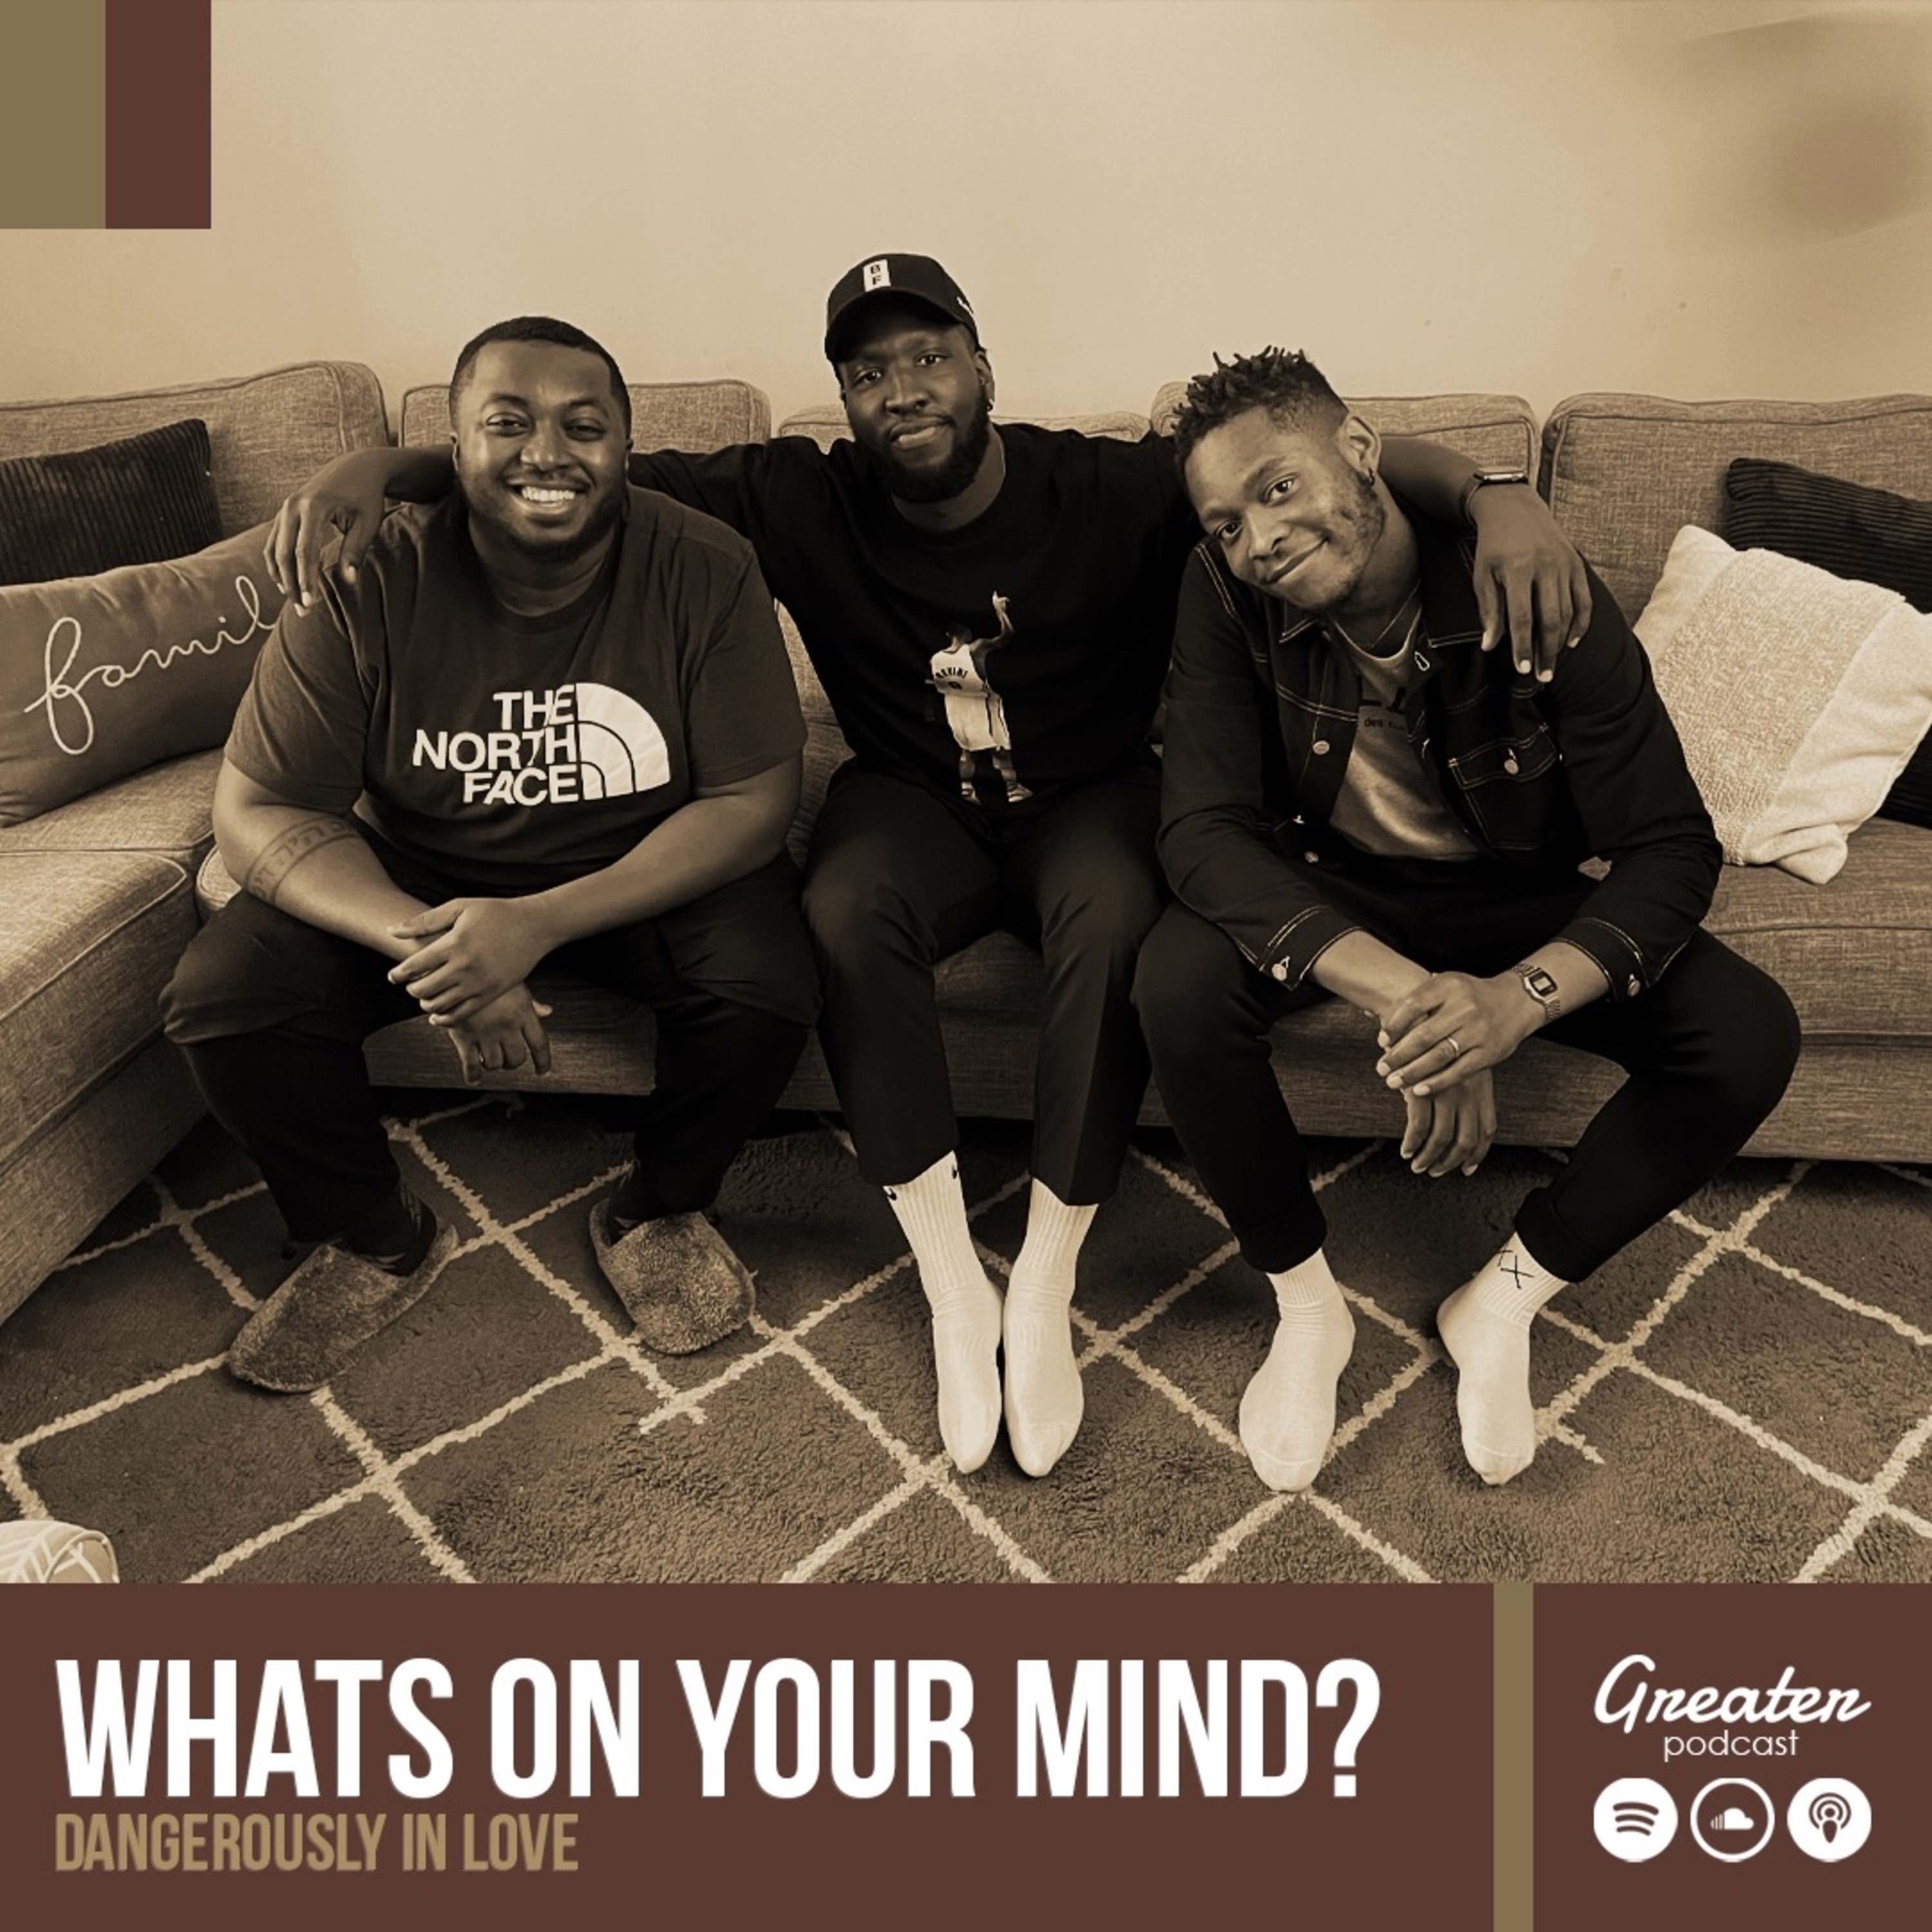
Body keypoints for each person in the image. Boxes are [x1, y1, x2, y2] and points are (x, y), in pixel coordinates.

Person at [267, 256, 1590, 1476]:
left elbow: (1318, 451)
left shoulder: (1110, 486)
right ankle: (957, 1285)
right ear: (843, 399)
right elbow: (569, 465)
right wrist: (386, 468)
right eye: (868, 371)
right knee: (842, 905)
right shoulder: (799, 492)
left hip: (1088, 795)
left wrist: (1495, 491)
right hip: (911, 798)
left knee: (1119, 913)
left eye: (930, 357)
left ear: (983, 368)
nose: (902, 389)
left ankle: (1046, 1279)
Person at [1134, 346, 1801, 1493]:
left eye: (1279, 488)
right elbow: (1201, 832)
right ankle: (1307, 1305)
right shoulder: (1223, 591)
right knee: (1177, 982)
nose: (1261, 540)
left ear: (1359, 450)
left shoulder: (1530, 581)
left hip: (1514, 891)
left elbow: (1669, 846)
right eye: (1229, 523)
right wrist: (1414, 1001)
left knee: (1747, 1033)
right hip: (1334, 883)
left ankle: (1503, 1300)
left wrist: (1514, 1004)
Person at [162, 317, 815, 1391]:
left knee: (769, 984)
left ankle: (658, 1208)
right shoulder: (364, 573)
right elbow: (261, 807)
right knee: (226, 995)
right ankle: (373, 1232)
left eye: (583, 426)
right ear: (454, 448)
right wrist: (438, 950)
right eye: (507, 424)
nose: (546, 453)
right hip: (421, 868)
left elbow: (752, 800)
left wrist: (534, 926)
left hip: (637, 864)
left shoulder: (705, 564)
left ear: (627, 448)